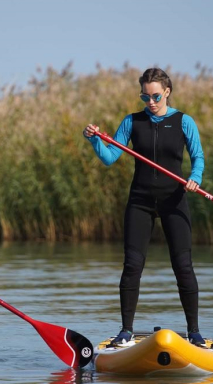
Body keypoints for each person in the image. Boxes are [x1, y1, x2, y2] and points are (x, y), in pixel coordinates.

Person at [83, 68, 206, 346]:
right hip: (140, 201)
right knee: (132, 265)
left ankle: (195, 332)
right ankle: (126, 331)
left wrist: (194, 178)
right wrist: (95, 140)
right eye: (144, 96)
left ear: (167, 92)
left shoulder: (184, 121)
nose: (150, 101)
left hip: (174, 200)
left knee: (183, 266)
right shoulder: (132, 122)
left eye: (155, 96)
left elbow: (198, 157)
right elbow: (110, 157)